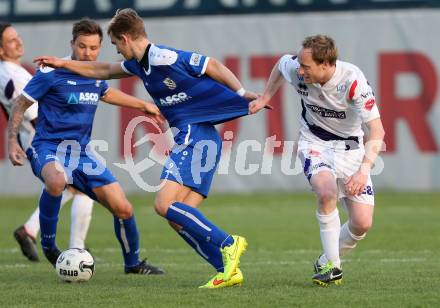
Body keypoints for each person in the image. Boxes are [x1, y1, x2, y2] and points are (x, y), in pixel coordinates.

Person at [34, 8, 275, 288]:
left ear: (125, 38)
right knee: (179, 217)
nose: (115, 51)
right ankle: (226, 269)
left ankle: (227, 242)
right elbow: (103, 70)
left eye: (114, 44)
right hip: (204, 137)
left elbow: (211, 65)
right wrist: (63, 65)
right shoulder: (138, 63)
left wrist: (241, 92)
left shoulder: (163, 56)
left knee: (163, 205)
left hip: (194, 134)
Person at [8, 18, 164, 275]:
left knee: (123, 208)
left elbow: (105, 93)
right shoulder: (51, 72)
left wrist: (143, 105)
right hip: (47, 146)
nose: (87, 53)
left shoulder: (94, 73)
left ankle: (133, 264)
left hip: (81, 153)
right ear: (72, 43)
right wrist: (13, 140)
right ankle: (48, 245)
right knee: (57, 182)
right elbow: (21, 104)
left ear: (101, 47)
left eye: (93, 48)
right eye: (82, 46)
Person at [249, 34, 385, 286]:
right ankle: (333, 267)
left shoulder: (353, 81)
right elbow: (281, 64)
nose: (299, 70)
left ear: (326, 64)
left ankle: (326, 259)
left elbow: (377, 131)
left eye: (305, 66)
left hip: (351, 150)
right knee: (326, 193)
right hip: (315, 143)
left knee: (362, 223)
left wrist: (363, 171)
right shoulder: (297, 69)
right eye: (299, 64)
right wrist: (266, 96)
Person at [0, 22, 95, 262]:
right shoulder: (11, 75)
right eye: (11, 40)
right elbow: (32, 115)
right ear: (1, 50)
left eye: (18, 36)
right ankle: (77, 250)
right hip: (44, 136)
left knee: (68, 187)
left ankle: (30, 230)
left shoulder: (12, 72)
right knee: (81, 187)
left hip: (38, 135)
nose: (19, 41)